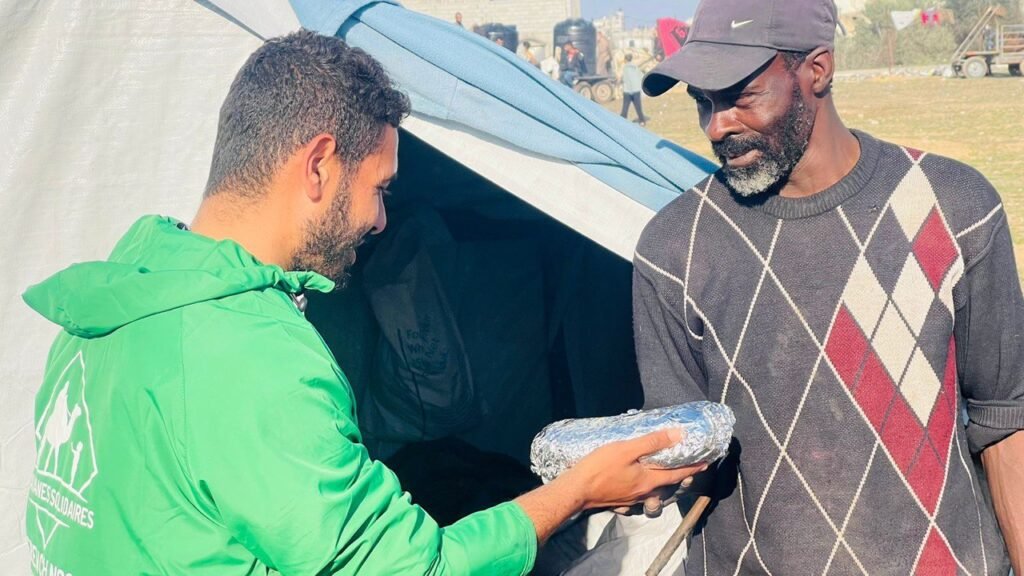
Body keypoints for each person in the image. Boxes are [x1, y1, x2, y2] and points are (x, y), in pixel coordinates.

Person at [22, 30, 705, 575]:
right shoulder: (248, 353)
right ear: (319, 165)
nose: (382, 220)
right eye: (381, 187)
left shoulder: (109, 304)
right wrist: (580, 491)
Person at [635, 0, 1024, 574]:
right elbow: (683, 450)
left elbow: (1006, 419)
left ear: (817, 70)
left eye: (741, 97)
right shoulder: (674, 248)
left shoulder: (955, 207)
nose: (717, 126)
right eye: (702, 102)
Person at [619, 54, 648, 125]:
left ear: (625, 60)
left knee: (625, 108)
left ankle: (621, 121)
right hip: (636, 90)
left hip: (627, 91)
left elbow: (623, 78)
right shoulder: (636, 67)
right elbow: (641, 76)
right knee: (638, 108)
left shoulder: (624, 68)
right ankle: (642, 121)